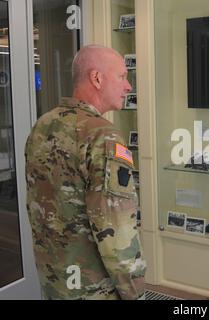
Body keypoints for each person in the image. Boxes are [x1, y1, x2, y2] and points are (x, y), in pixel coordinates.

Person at [25, 45, 146, 300]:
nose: (128, 86)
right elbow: (117, 232)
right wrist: (136, 293)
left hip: (54, 279)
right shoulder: (103, 135)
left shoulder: (42, 125)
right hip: (93, 288)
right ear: (97, 78)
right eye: (122, 76)